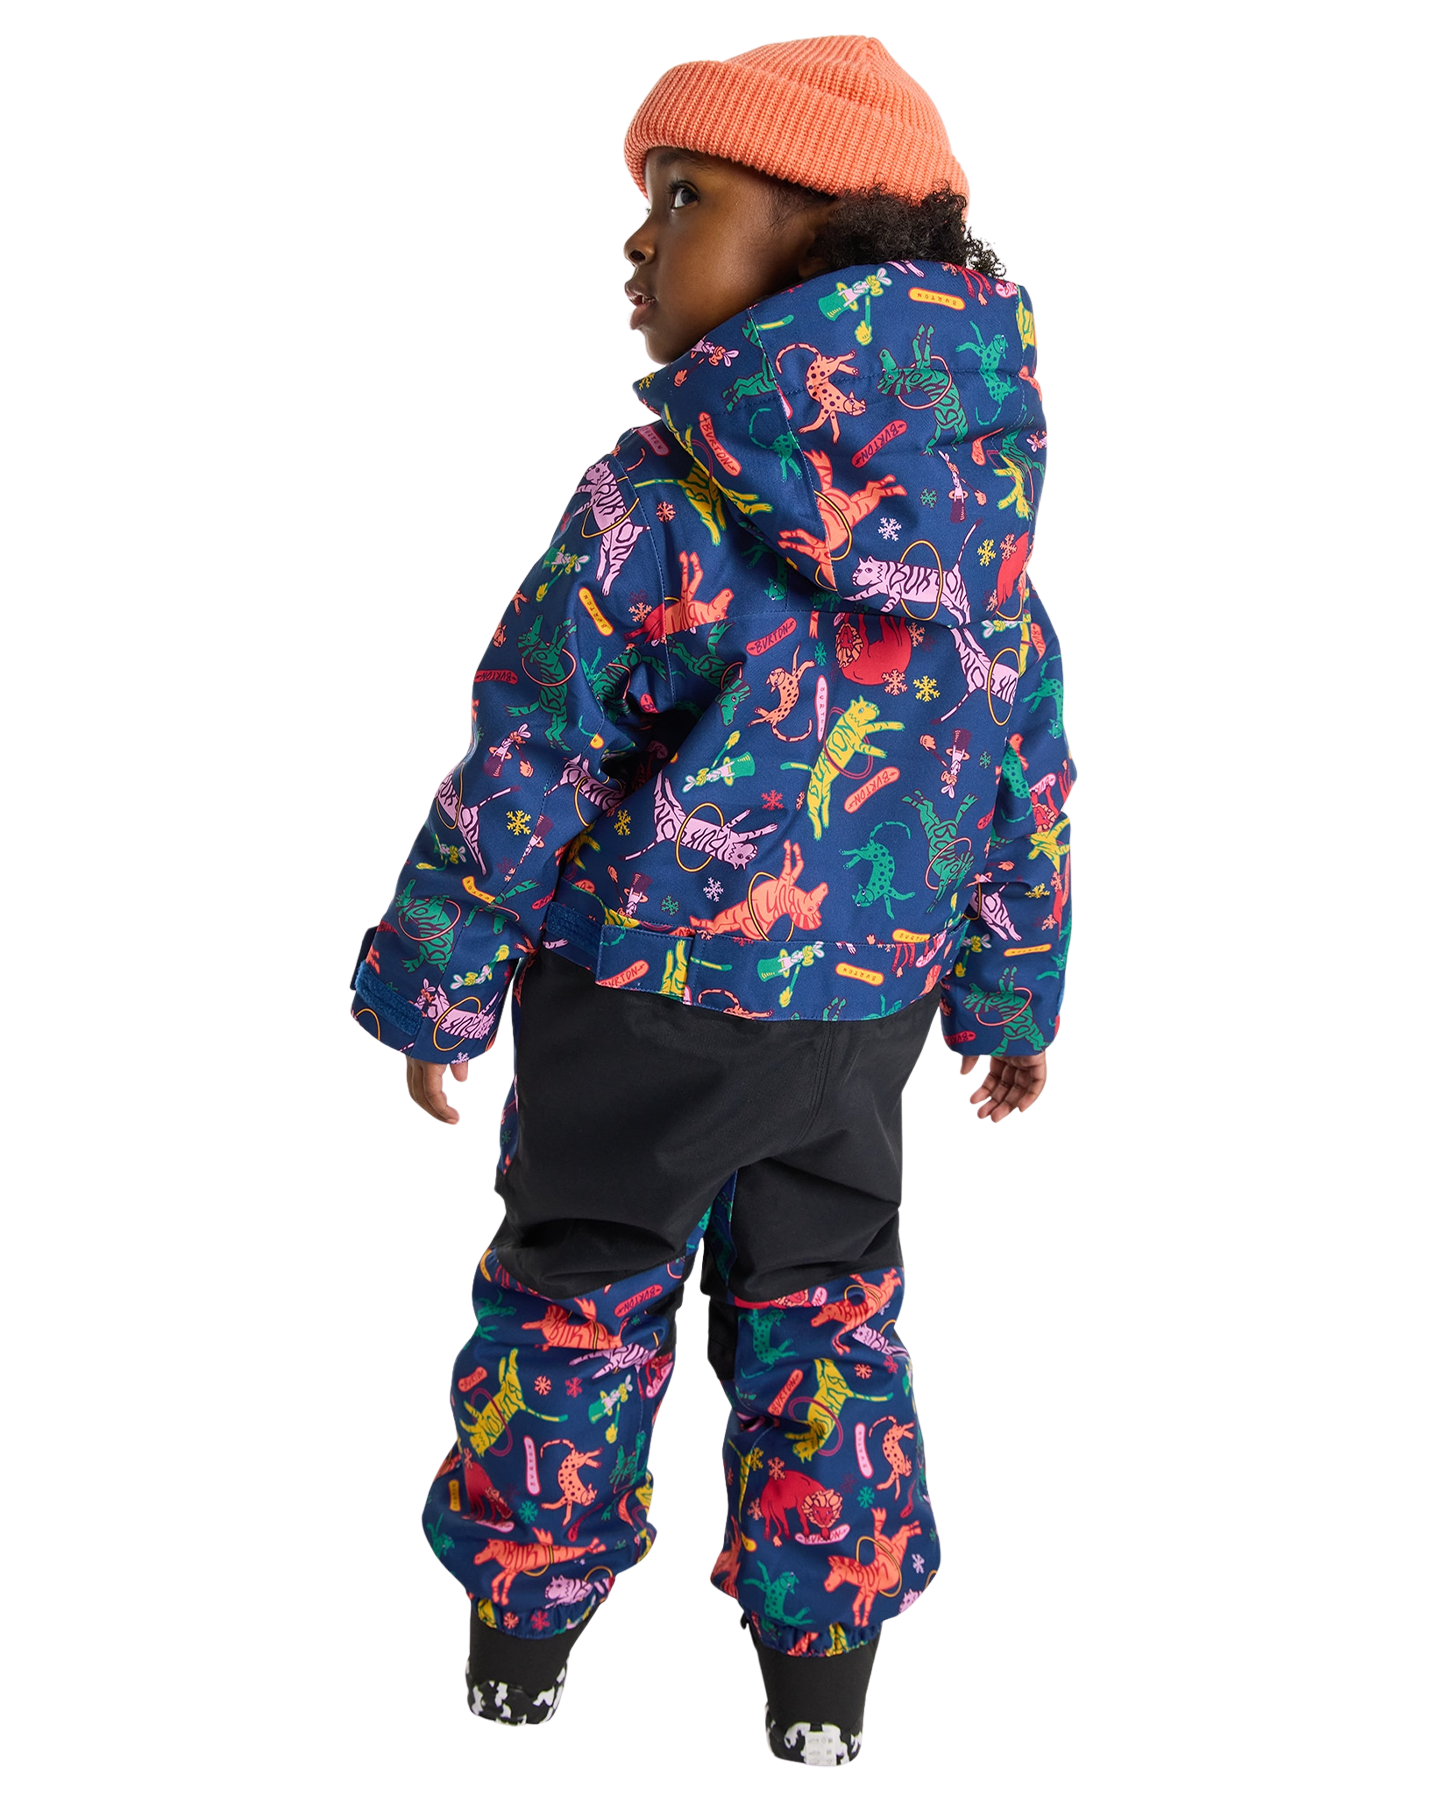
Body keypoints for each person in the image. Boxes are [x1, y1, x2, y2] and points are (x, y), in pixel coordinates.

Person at [351, 35, 1074, 1768]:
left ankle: (520, 1651)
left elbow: (532, 762)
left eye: (686, 198)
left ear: (822, 239)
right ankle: (823, 1688)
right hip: (862, 1019)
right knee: (827, 1308)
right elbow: (1025, 761)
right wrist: (1010, 994)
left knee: (581, 1295)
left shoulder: (657, 503)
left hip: (642, 1013)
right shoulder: (980, 513)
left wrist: (435, 997)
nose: (638, 238)